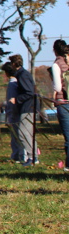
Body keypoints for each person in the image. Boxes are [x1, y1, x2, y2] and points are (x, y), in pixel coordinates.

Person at [9, 54, 38, 165]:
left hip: (28, 107)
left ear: (14, 64)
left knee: (23, 133)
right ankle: (34, 157)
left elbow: (29, 92)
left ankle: (31, 157)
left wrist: (16, 99)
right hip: (29, 107)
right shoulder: (23, 74)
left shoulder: (22, 75)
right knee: (28, 133)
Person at [1, 62, 23, 163]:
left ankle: (18, 155)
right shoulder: (18, 82)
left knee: (16, 135)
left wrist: (9, 112)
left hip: (14, 112)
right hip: (17, 111)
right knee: (17, 135)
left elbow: (11, 100)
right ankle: (17, 154)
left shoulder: (12, 84)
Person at [53, 39, 69, 171]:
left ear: (55, 51)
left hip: (64, 103)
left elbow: (58, 87)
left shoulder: (57, 64)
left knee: (68, 136)